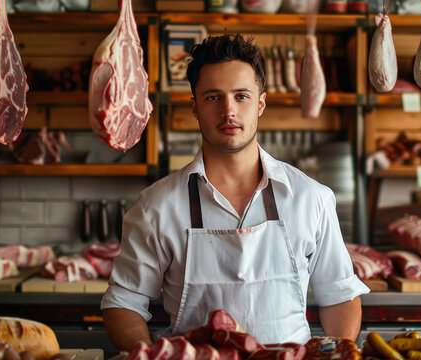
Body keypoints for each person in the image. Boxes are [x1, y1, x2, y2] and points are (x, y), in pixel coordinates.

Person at [101, 33, 370, 351]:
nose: (228, 110)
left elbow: (339, 296)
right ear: (195, 107)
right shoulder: (157, 206)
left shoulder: (311, 198)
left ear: (260, 104)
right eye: (213, 97)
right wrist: (146, 355)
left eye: (241, 96)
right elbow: (124, 303)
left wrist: (338, 353)